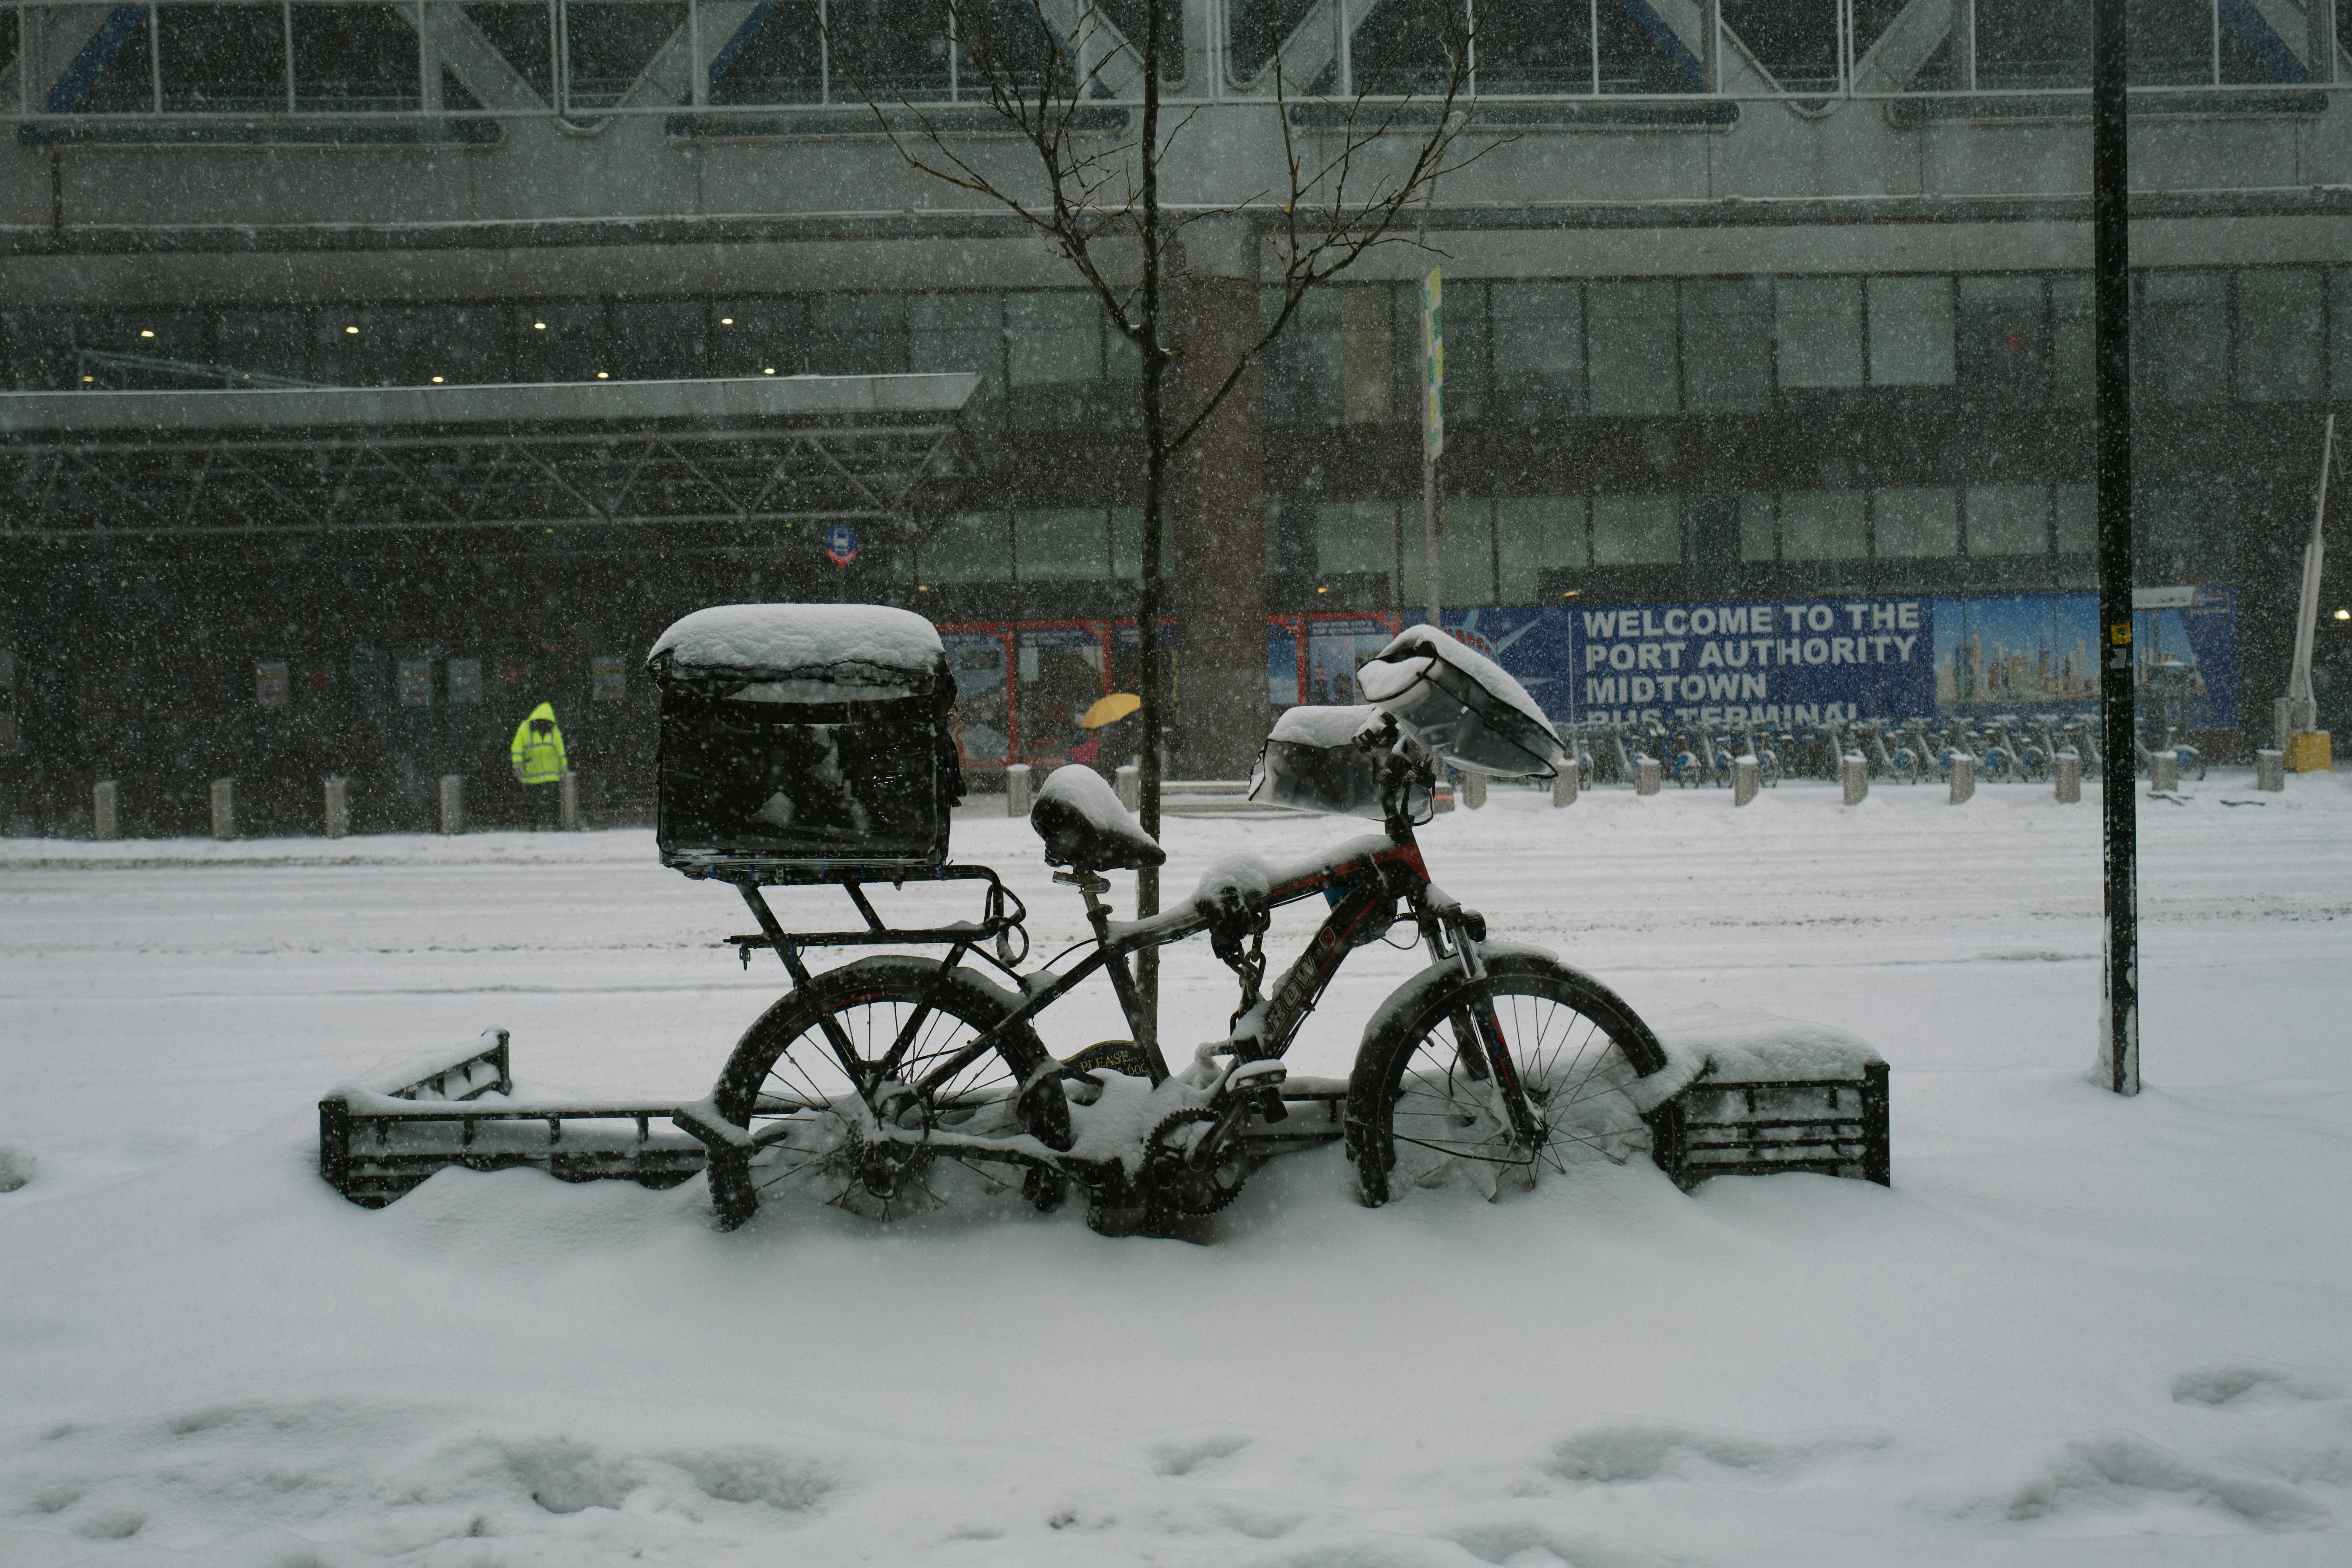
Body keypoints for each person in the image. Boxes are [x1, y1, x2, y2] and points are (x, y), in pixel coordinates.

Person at [508, 701, 568, 828]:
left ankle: (544, 825)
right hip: (535, 773)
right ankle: (537, 825)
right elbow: (517, 749)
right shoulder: (527, 728)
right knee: (536, 801)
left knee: (545, 801)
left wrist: (563, 767)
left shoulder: (551, 729)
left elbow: (560, 750)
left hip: (544, 773)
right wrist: (518, 766)